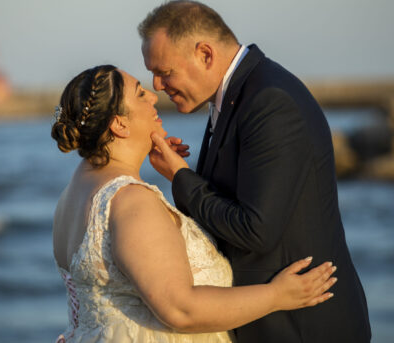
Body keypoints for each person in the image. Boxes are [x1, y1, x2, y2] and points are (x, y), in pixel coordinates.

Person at [139, 0, 371, 342]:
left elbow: (255, 229)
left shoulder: (269, 101)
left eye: (165, 71)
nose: (156, 85)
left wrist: (182, 178)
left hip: (302, 327)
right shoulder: (238, 95)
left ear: (205, 54)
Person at [51, 64, 337, 342]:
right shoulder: (131, 200)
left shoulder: (72, 196)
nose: (153, 95)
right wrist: (278, 295)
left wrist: (177, 176)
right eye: (140, 93)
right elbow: (180, 309)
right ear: (119, 124)